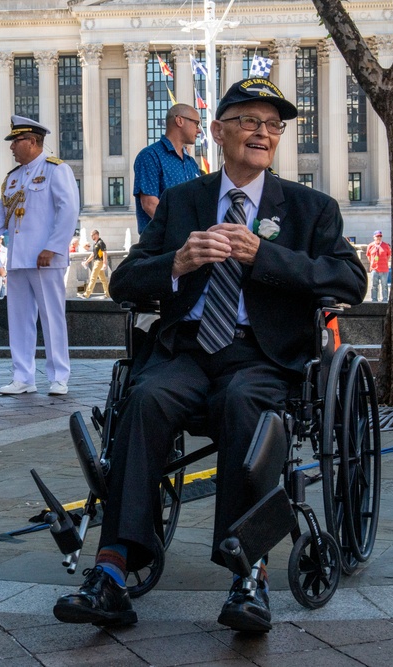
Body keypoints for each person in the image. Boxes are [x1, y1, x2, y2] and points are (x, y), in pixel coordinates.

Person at [53, 78, 367, 632]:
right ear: (217, 133)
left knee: (246, 404)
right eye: (248, 121)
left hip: (263, 357)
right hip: (188, 349)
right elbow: (124, 281)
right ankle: (112, 569)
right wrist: (176, 261)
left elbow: (349, 278)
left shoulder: (309, 207)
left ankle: (248, 571)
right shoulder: (182, 203)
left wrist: (266, 256)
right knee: (145, 398)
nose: (262, 133)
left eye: (272, 125)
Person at [0, 115, 77, 396]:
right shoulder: (13, 178)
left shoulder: (56, 169)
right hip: (17, 258)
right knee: (18, 319)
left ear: (31, 141)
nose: (11, 147)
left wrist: (53, 247)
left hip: (45, 258)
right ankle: (23, 376)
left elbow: (68, 210)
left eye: (15, 141)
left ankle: (58, 376)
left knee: (52, 317)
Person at [133, 103, 203, 234]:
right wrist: (180, 231)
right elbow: (149, 203)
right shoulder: (150, 156)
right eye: (196, 123)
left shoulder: (191, 163)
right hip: (161, 244)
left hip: (188, 240)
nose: (199, 130)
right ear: (180, 120)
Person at [81, 229, 109, 299]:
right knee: (103, 279)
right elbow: (93, 254)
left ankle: (86, 294)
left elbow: (104, 253)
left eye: (92, 235)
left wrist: (105, 263)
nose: (91, 237)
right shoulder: (95, 244)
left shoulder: (101, 243)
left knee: (93, 278)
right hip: (97, 262)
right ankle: (108, 293)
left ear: (96, 235)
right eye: (91, 235)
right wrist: (87, 261)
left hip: (99, 262)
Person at [366, 230, 391, 302]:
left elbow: (388, 255)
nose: (379, 238)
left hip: (384, 269)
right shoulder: (370, 246)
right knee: (374, 286)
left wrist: (385, 262)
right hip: (374, 269)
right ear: (374, 237)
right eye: (377, 236)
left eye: (380, 236)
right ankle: (374, 299)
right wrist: (372, 263)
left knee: (384, 285)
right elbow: (368, 255)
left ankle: (385, 299)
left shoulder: (386, 245)